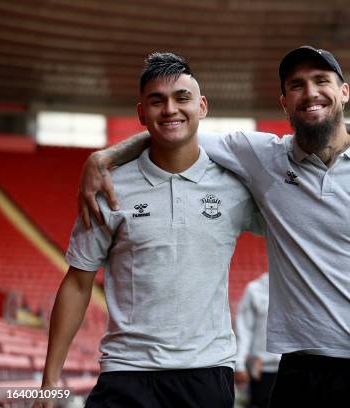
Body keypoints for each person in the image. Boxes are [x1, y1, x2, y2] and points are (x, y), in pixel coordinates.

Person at [77, 46, 350, 407]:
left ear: (343, 92)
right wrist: (105, 156)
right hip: (298, 372)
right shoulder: (263, 157)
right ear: (284, 103)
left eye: (321, 80)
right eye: (296, 85)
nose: (310, 92)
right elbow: (175, 128)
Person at [37, 53, 261, 408]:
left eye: (182, 98)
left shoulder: (235, 186)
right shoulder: (108, 189)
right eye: (157, 101)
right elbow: (78, 283)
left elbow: (300, 225)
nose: (170, 109)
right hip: (126, 372)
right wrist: (49, 383)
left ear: (202, 106)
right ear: (142, 113)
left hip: (206, 373)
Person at [234, 272, 281, 408]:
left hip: (293, 365)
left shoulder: (298, 288)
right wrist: (240, 364)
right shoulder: (255, 289)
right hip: (262, 367)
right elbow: (244, 330)